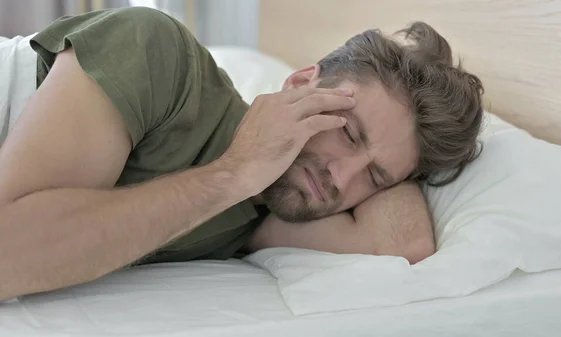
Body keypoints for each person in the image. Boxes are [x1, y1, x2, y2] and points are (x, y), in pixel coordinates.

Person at [0, 7, 483, 300]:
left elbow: (405, 245)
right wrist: (233, 173)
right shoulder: (161, 55)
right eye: (348, 133)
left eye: (375, 179)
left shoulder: (262, 218)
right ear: (298, 84)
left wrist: (401, 165)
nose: (342, 177)